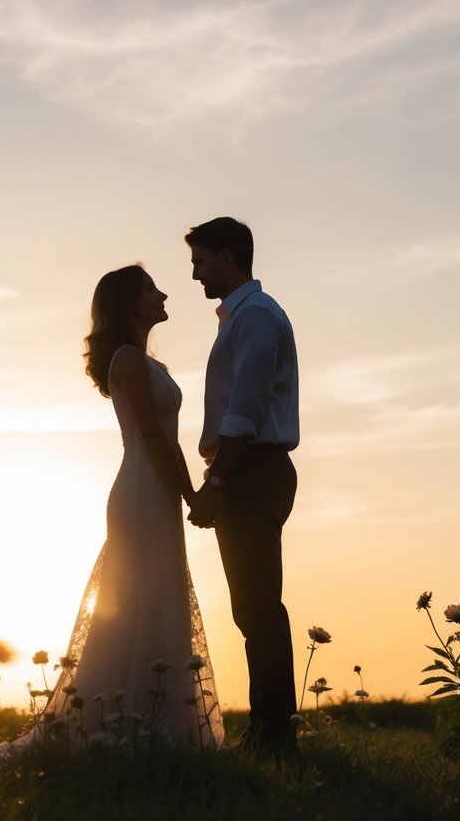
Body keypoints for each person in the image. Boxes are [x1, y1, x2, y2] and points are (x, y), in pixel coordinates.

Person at [0, 264, 223, 758]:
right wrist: (190, 494)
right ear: (129, 302)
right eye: (152, 289)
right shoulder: (128, 360)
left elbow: (168, 440)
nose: (163, 294)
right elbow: (152, 437)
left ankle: (153, 729)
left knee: (159, 597)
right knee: (135, 601)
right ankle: (113, 729)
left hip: (160, 490)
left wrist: (191, 492)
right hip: (140, 491)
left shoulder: (152, 365)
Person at [185, 217, 299, 756]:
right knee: (250, 606)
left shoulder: (255, 317)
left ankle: (274, 732)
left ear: (228, 258)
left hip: (252, 470)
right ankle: (269, 727)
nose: (194, 273)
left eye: (200, 261)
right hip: (248, 469)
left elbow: (244, 413)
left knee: (259, 604)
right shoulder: (241, 317)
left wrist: (216, 480)